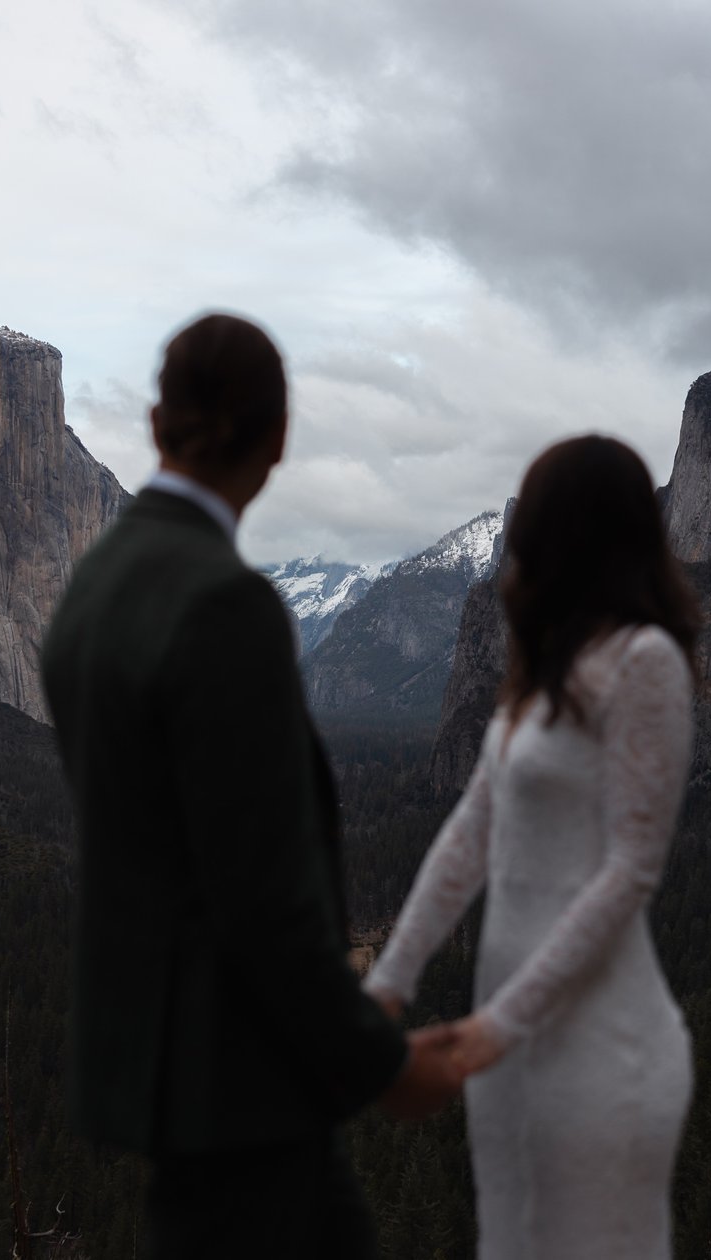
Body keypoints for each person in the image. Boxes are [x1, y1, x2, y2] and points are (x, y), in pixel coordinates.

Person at [41, 313, 462, 1260]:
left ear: (155, 422)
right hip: (242, 1087)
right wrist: (382, 1064)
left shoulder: (92, 591)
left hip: (150, 1078)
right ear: (276, 441)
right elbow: (263, 891)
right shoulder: (224, 603)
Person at [365, 435, 701, 1259]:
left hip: (601, 1052)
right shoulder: (542, 676)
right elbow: (470, 835)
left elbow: (632, 872)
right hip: (504, 1046)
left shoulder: (645, 662)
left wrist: (497, 1027)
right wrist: (389, 983)